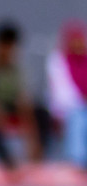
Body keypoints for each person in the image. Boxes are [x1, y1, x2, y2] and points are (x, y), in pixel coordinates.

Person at [0, 21, 51, 169]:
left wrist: (31, 137)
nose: (7, 51)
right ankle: (7, 161)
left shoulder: (16, 67)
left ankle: (38, 155)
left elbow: (22, 100)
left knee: (42, 112)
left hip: (9, 105)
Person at [46, 21, 87, 168]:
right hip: (66, 108)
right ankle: (78, 162)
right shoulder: (58, 61)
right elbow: (60, 94)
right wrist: (81, 101)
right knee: (78, 117)